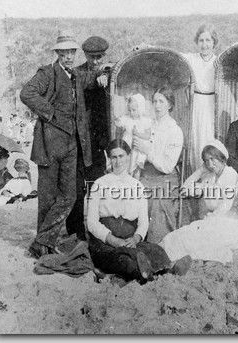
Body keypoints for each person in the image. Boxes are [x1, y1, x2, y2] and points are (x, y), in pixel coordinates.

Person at [20, 29, 108, 258]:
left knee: (70, 195)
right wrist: (50, 114)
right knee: (47, 197)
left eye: (71, 52)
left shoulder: (77, 76)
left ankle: (42, 240)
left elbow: (95, 73)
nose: (68, 56)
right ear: (57, 53)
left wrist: (105, 73)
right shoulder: (47, 73)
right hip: (49, 145)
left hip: (70, 146)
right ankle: (43, 244)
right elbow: (27, 94)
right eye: (64, 52)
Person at [86, 139, 191, 285]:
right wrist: (112, 240)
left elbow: (143, 222)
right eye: (114, 157)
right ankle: (151, 276)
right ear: (109, 159)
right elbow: (91, 223)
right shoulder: (99, 184)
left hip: (129, 240)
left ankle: (168, 271)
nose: (118, 161)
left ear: (128, 157)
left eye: (121, 156)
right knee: (126, 260)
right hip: (105, 243)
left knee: (157, 251)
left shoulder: (137, 186)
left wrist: (136, 238)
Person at [160, 140, 238, 264]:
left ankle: (171, 260)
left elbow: (226, 205)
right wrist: (200, 170)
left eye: (213, 159)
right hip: (210, 221)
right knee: (179, 236)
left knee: (192, 240)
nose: (210, 164)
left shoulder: (231, 175)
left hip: (226, 224)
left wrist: (210, 220)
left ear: (222, 158)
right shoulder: (208, 177)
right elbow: (185, 189)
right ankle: (160, 256)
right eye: (206, 160)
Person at [66, 35, 111, 243]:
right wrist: (97, 77)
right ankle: (76, 234)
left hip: (99, 143)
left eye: (99, 57)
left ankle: (98, 233)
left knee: (98, 188)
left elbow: (114, 70)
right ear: (85, 55)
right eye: (92, 57)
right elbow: (84, 80)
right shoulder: (78, 73)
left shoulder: (109, 72)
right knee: (77, 190)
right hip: (80, 141)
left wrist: (107, 74)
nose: (95, 61)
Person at [132, 87, 183, 243]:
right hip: (147, 175)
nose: (157, 105)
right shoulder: (148, 125)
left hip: (166, 178)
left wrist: (148, 151)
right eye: (154, 101)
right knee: (129, 194)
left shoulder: (174, 130)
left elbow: (167, 166)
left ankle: (156, 244)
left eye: (162, 101)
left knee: (156, 200)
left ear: (170, 104)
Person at [182, 24, 219, 171]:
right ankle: (196, 175)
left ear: (214, 42)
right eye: (201, 40)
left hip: (211, 104)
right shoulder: (192, 59)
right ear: (197, 42)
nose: (205, 44)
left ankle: (210, 175)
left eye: (208, 40)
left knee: (208, 137)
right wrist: (147, 45)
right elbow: (172, 54)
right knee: (195, 139)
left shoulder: (218, 61)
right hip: (196, 103)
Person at [115, 94, 152, 179]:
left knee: (136, 166)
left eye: (134, 110)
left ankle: (136, 182)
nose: (131, 113)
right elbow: (118, 123)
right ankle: (127, 180)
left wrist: (137, 134)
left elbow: (147, 136)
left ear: (141, 108)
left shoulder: (145, 121)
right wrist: (117, 120)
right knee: (126, 164)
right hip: (128, 145)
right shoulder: (127, 118)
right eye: (129, 110)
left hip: (138, 147)